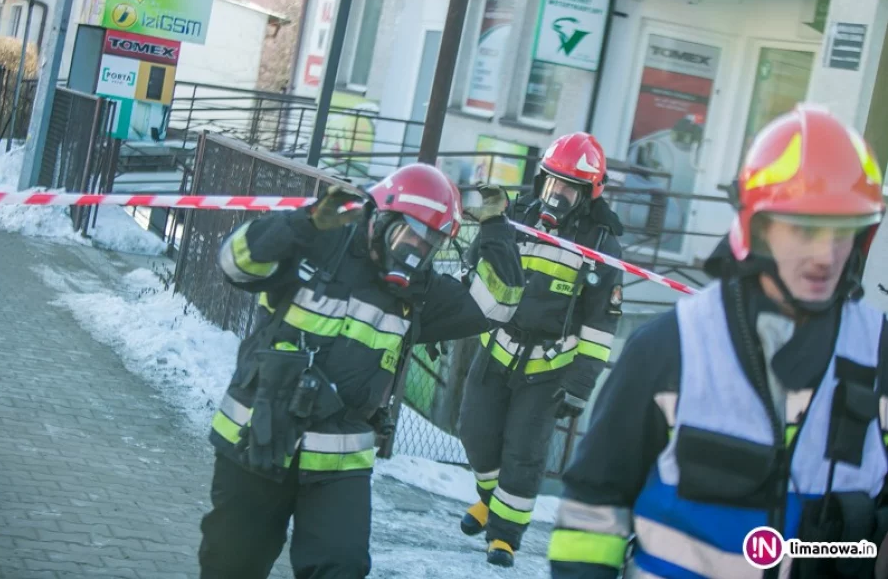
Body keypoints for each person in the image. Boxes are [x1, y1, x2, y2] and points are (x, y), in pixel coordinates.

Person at [547, 104, 888, 579]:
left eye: (843, 231)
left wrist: (836, 555)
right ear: (759, 227)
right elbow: (592, 509)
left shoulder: (879, 355)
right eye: (806, 228)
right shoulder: (669, 348)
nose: (826, 254)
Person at [198, 163, 525, 579]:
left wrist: (496, 228)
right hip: (256, 439)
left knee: (343, 568)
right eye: (409, 232)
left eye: (430, 243)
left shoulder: (421, 294)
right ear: (382, 217)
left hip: (337, 462)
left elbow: (499, 303)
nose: (415, 249)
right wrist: (302, 224)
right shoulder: (319, 242)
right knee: (231, 565)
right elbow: (235, 264)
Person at [457, 132, 625, 568]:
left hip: (549, 368)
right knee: (474, 431)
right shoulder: (519, 214)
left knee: (524, 453)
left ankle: (505, 536)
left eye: (568, 188)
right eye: (551, 183)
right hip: (497, 349)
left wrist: (580, 385)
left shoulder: (603, 244)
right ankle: (488, 500)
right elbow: (483, 262)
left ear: (589, 194)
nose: (556, 195)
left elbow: (601, 323)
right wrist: (490, 230)